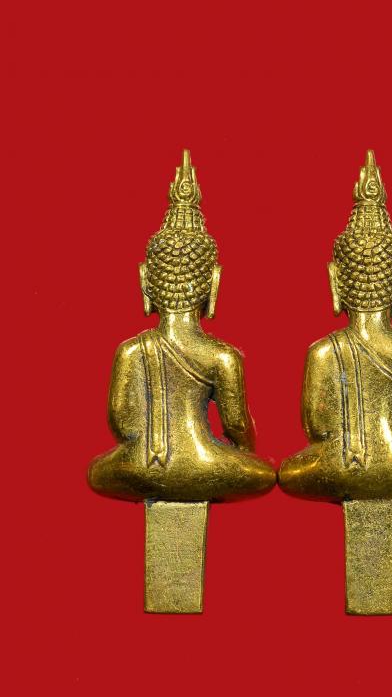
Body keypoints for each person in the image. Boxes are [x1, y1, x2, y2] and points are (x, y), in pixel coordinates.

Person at [279, 151, 392, 502]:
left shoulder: (322, 352)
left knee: (290, 471)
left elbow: (317, 428)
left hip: (335, 466)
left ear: (335, 282)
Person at [89, 151, 275, 502]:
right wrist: (245, 449)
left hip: (142, 465)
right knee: (261, 472)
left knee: (99, 470)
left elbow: (123, 424)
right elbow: (236, 425)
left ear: (145, 281)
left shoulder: (131, 351)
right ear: (213, 283)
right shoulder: (221, 357)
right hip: (205, 462)